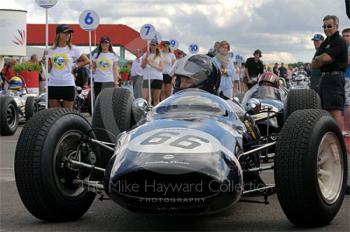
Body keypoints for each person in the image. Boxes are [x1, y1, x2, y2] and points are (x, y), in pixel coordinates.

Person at [311, 15, 347, 132]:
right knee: (324, 110)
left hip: (335, 78)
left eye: (329, 26)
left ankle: (339, 141)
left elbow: (325, 58)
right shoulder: (327, 41)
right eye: (324, 26)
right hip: (325, 78)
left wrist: (320, 60)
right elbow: (314, 62)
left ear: (336, 26)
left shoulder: (339, 40)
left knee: (335, 110)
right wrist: (320, 60)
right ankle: (330, 138)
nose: (326, 29)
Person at [47, 24, 90, 108]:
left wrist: (76, 66)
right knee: (55, 114)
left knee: (67, 114)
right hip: (53, 83)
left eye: (69, 33)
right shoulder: (51, 50)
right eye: (65, 33)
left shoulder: (74, 49)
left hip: (68, 83)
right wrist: (44, 59)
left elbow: (87, 60)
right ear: (58, 35)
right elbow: (48, 69)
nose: (68, 35)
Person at [141, 39, 164, 106]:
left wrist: (151, 64)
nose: (153, 46)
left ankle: (155, 114)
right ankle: (146, 114)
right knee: (145, 98)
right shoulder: (146, 54)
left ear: (157, 46)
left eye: (154, 45)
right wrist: (146, 58)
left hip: (157, 78)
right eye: (151, 45)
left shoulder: (160, 56)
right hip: (147, 78)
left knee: (156, 99)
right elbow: (142, 66)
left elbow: (161, 68)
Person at [342, 28, 350, 155]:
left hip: (348, 78)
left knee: (347, 104)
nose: (345, 37)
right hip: (344, 77)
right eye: (343, 35)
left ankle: (347, 130)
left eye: (348, 35)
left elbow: (346, 61)